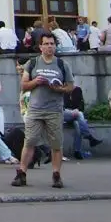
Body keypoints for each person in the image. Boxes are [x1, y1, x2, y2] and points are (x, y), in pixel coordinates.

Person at [11, 32, 74, 188]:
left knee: (56, 144)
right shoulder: (32, 63)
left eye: (52, 44)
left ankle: (56, 175)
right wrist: (35, 82)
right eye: (46, 44)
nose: (49, 47)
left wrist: (59, 88)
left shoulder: (62, 64)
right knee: (30, 141)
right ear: (40, 47)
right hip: (35, 109)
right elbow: (24, 85)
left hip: (55, 109)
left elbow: (71, 86)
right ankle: (22, 173)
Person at [63, 84, 102, 159]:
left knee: (78, 125)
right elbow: (63, 105)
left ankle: (77, 151)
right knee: (80, 115)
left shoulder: (77, 90)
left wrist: (77, 109)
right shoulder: (61, 89)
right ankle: (89, 137)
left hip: (75, 114)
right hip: (64, 113)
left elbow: (81, 104)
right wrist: (72, 110)